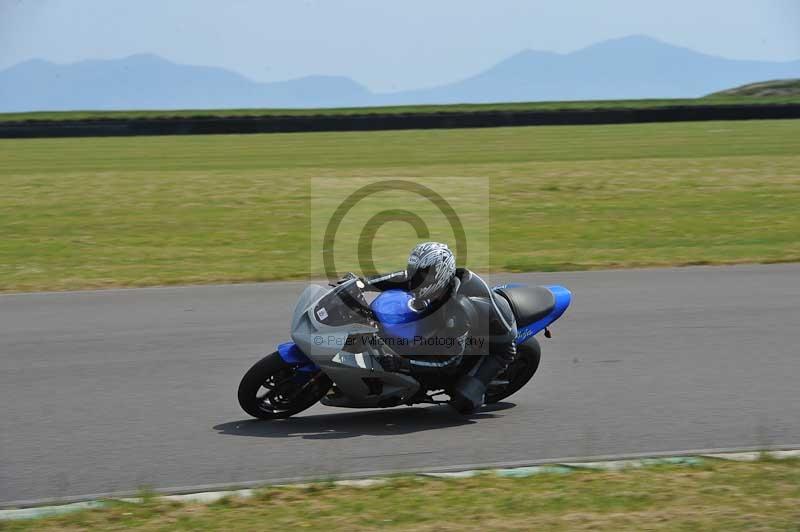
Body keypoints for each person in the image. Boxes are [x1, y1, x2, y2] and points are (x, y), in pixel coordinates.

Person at [364, 242, 517, 413]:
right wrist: (363, 283)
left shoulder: (458, 311)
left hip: (496, 344)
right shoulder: (440, 285)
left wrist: (402, 363)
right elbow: (402, 277)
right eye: (415, 273)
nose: (414, 280)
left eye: (421, 276)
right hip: (470, 325)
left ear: (440, 275)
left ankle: (476, 388)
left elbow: (448, 362)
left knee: (464, 401)